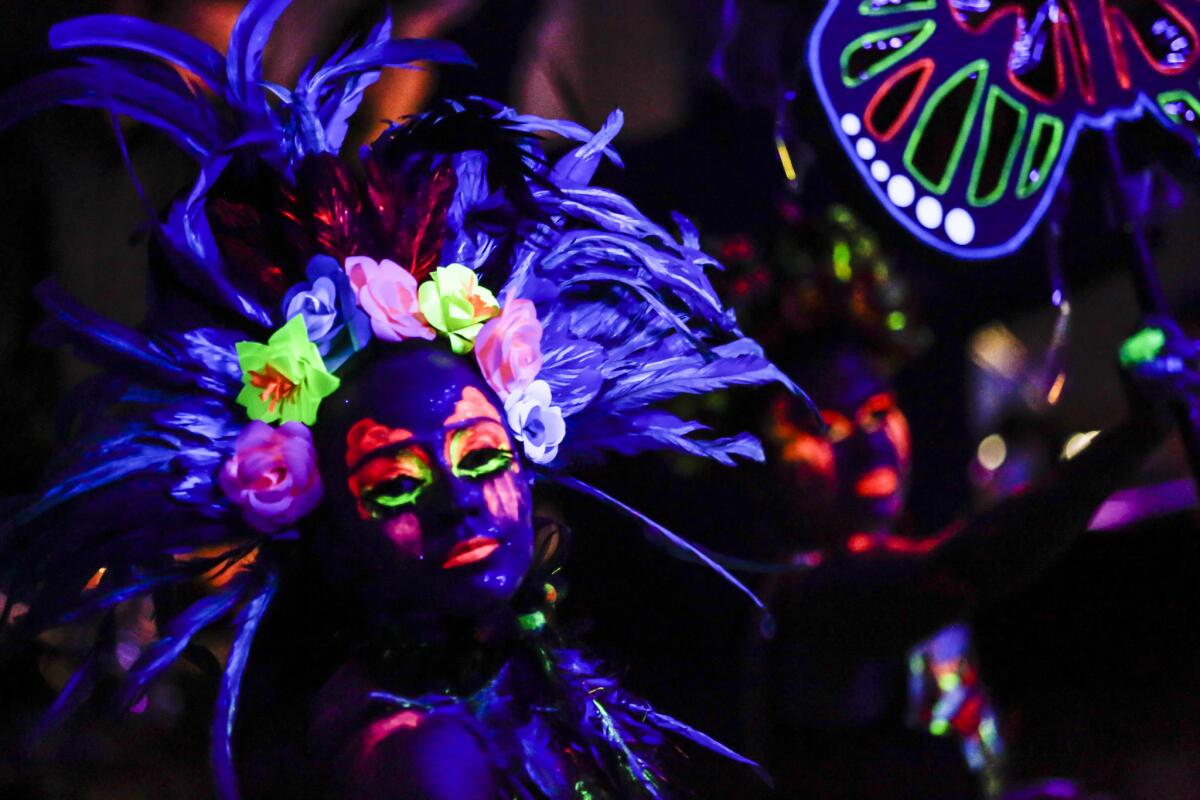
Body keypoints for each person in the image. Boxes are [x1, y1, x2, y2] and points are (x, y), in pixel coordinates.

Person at [0, 2, 792, 797]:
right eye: (394, 483)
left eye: (482, 456)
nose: (459, 503)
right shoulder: (417, 754)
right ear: (325, 524)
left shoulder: (497, 687)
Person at [719, 201, 1186, 799]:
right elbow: (966, 567)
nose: (869, 446)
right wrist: (1131, 439)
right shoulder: (811, 601)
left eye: (880, 412)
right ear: (758, 461)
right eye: (827, 426)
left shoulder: (900, 555)